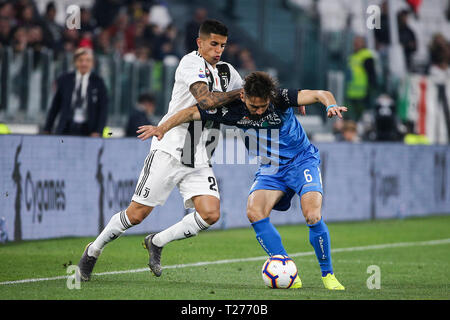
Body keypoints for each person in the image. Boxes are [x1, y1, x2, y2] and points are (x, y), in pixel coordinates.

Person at [137, 71, 347, 290]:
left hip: (302, 161)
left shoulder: (279, 97)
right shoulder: (232, 109)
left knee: (312, 215)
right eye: (253, 106)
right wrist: (161, 128)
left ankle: (328, 274)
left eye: (263, 106)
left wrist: (330, 105)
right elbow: (191, 112)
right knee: (254, 212)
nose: (258, 111)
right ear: (243, 97)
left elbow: (321, 93)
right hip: (271, 169)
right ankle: (284, 264)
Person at [76, 19, 242, 281]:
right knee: (136, 214)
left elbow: (248, 97)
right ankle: (93, 250)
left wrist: (281, 101)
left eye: (222, 45)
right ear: (200, 43)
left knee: (211, 214)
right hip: (170, 150)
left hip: (199, 156)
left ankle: (157, 242)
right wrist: (239, 94)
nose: (218, 49)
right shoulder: (190, 63)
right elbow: (207, 100)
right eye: (213, 44)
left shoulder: (228, 72)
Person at [43, 48, 108, 137]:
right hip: (66, 127)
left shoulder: (98, 82)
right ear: (75, 62)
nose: (84, 64)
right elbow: (55, 106)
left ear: (92, 63)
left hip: (89, 129)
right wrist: (47, 128)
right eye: (81, 60)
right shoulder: (65, 80)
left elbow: (103, 109)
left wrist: (98, 130)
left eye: (88, 61)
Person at [345, 36, 377, 121]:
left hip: (363, 92)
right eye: (355, 42)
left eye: (358, 42)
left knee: (362, 115)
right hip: (351, 92)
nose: (355, 44)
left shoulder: (366, 55)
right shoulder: (353, 55)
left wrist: (371, 89)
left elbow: (371, 73)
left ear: (363, 43)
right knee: (352, 115)